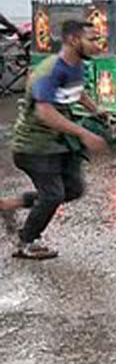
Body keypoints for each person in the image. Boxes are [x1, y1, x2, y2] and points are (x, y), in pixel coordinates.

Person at [3, 20, 108, 259]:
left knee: (73, 189)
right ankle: (26, 241)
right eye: (91, 39)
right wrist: (84, 133)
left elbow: (76, 91)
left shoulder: (77, 65)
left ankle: (10, 204)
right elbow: (45, 112)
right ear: (72, 40)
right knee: (53, 194)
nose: (96, 44)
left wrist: (95, 110)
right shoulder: (49, 71)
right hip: (35, 146)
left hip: (60, 142)